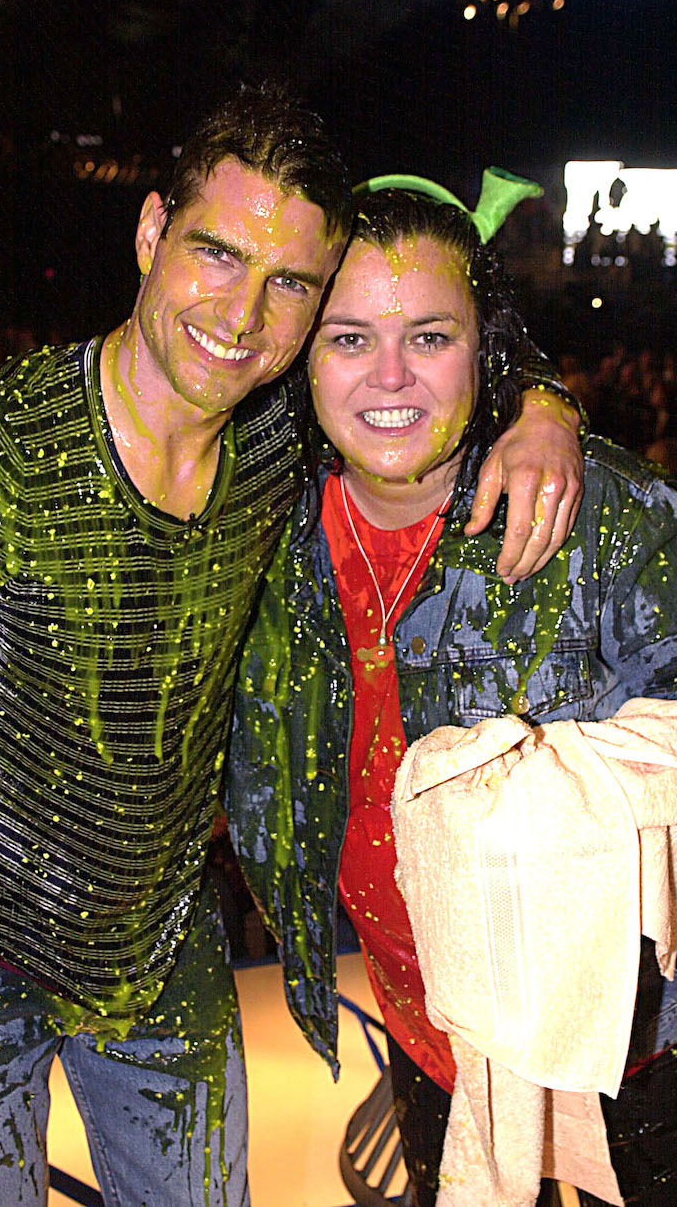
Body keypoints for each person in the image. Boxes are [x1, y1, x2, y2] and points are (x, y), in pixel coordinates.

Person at [0, 85, 581, 1207]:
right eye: (215, 253)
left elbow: (440, 347)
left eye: (289, 283)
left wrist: (543, 403)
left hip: (162, 952)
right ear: (152, 230)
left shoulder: (274, 437)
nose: (243, 313)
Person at [226, 184, 677, 1206]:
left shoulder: (596, 507)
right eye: (346, 338)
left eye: (427, 335)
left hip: (624, 1045)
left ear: (487, 352)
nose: (388, 376)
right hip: (423, 1024)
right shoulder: (262, 528)